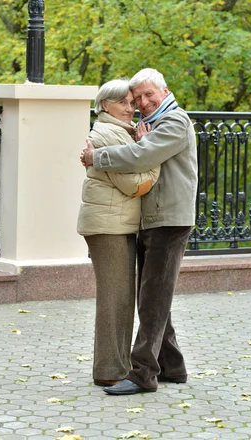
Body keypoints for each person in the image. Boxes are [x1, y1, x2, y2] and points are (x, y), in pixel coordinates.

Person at [80, 68, 198, 395]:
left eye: (148, 95)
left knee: (151, 301)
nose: (142, 103)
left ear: (165, 91)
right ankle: (172, 366)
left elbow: (142, 156)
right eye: (137, 98)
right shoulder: (153, 123)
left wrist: (96, 157)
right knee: (156, 298)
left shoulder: (174, 121)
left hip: (168, 222)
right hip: (154, 220)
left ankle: (144, 373)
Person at [77, 79, 160, 387]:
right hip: (107, 226)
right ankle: (110, 372)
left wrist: (140, 149)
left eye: (131, 102)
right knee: (115, 300)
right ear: (105, 106)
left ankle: (115, 368)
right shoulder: (109, 134)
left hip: (116, 224)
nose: (131, 108)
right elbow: (134, 184)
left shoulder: (121, 133)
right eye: (123, 103)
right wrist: (154, 160)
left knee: (121, 299)